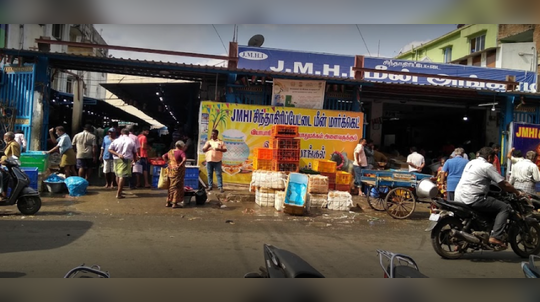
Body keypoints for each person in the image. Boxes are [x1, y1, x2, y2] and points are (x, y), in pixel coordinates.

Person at [454, 147, 523, 248]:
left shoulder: (471, 162)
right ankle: (495, 236)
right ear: (490, 157)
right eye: (494, 158)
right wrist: (517, 192)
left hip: (459, 196)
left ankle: (463, 241)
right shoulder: (487, 166)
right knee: (504, 207)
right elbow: (503, 184)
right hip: (473, 198)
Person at [108, 128, 138, 199]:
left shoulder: (116, 140)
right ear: (128, 134)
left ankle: (120, 190)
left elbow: (109, 149)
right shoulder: (131, 141)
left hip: (116, 159)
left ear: (121, 133)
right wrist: (134, 160)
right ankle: (119, 193)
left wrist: (117, 154)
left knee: (118, 175)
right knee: (122, 176)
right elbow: (134, 152)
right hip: (126, 159)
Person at [163, 140, 187, 208]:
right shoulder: (181, 152)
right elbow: (184, 159)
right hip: (177, 171)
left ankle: (168, 202)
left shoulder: (170, 151)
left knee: (170, 186)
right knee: (177, 186)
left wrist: (168, 163)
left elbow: (163, 156)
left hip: (170, 171)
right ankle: (174, 203)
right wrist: (179, 165)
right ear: (181, 146)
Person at [0, 132, 21, 200]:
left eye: (5, 137)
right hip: (4, 165)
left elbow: (15, 156)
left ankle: (3, 194)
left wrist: (6, 161)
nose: (4, 138)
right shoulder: (9, 144)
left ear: (8, 138)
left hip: (7, 165)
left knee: (4, 176)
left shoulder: (13, 144)